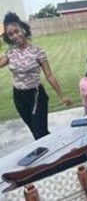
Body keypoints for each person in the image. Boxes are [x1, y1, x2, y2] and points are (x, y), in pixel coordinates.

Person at [0, 12, 72, 140]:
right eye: (10, 34)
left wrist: (62, 96)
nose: (15, 36)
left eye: (17, 31)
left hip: (36, 95)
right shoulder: (10, 53)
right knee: (36, 133)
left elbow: (49, 76)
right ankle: (50, 153)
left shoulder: (38, 52)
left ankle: (58, 152)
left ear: (23, 29)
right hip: (19, 97)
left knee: (40, 133)